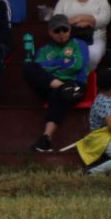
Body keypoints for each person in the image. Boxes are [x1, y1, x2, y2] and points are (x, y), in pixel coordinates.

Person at [26, 15, 88, 152]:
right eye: (57, 30)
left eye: (64, 30)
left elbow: (76, 65)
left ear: (70, 30)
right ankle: (62, 87)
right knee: (29, 67)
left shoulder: (79, 44)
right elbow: (38, 67)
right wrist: (62, 63)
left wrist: (52, 65)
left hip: (75, 85)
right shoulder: (44, 50)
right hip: (55, 86)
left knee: (57, 94)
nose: (61, 34)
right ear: (50, 32)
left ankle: (46, 138)